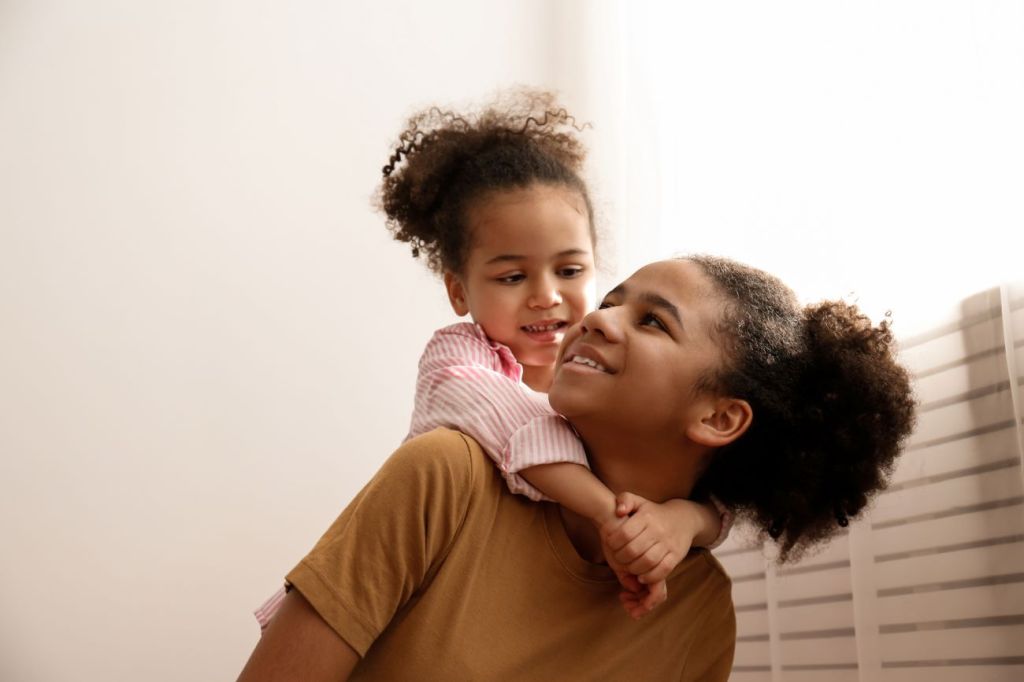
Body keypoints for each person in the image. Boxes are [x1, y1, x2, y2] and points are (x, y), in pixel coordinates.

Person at [237, 255, 917, 681]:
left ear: (718, 419)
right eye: (614, 298)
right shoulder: (446, 475)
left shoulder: (699, 608)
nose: (598, 318)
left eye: (653, 322)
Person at [254, 90, 727, 628]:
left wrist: (683, 520)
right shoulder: (456, 363)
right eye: (512, 277)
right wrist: (610, 517)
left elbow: (709, 491)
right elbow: (518, 430)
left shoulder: (592, 380)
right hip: (415, 594)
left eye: (570, 271)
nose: (547, 295)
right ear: (459, 292)